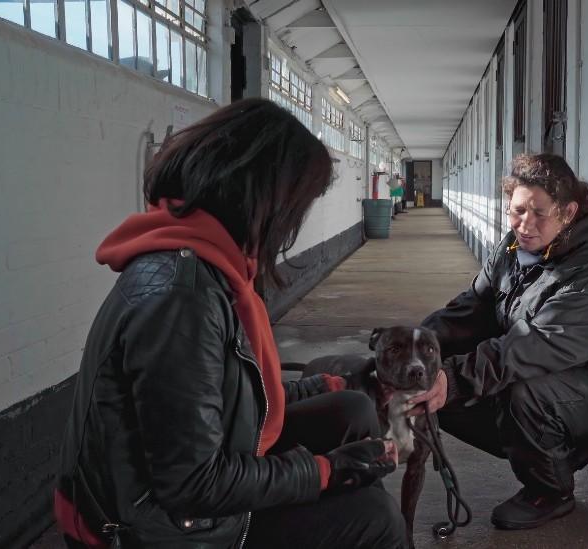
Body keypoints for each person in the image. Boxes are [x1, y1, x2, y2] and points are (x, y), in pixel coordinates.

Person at [55, 98, 406, 549]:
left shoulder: (209, 265)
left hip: (173, 501)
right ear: (265, 199)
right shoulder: (181, 301)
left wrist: (333, 385)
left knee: (353, 409)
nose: (294, 223)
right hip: (149, 531)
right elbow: (195, 485)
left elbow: (229, 396)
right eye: (298, 206)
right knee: (372, 518)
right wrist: (327, 472)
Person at [411, 153, 588, 531]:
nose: (525, 224)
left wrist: (451, 379)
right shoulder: (512, 249)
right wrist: (420, 347)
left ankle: (550, 490)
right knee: (432, 380)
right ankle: (557, 449)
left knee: (522, 391)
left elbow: (530, 345)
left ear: (568, 213)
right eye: (517, 210)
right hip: (560, 374)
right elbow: (473, 305)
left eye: (539, 213)